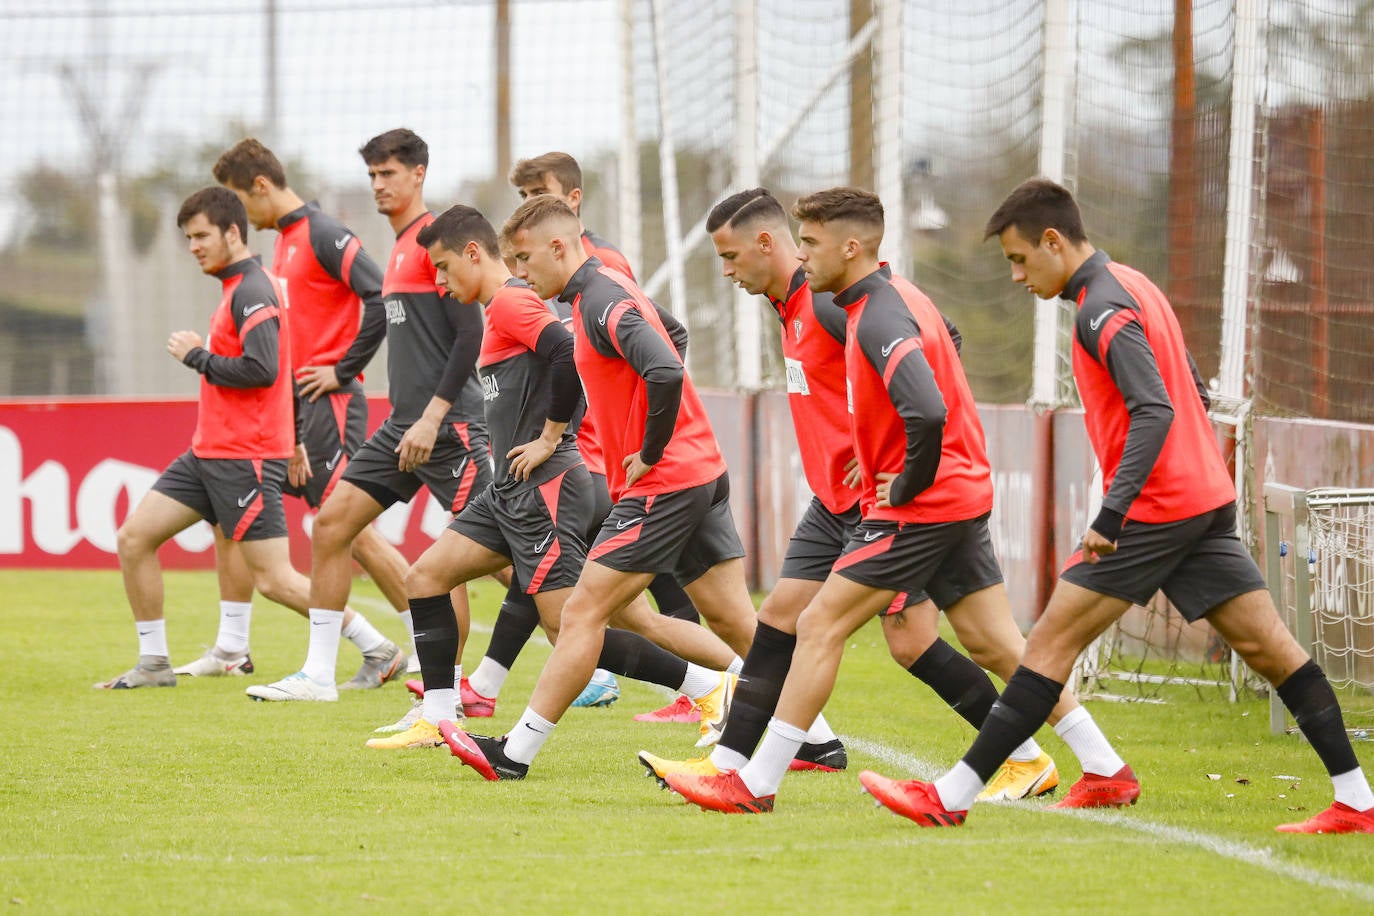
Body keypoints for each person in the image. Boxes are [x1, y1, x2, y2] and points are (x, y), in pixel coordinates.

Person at [850, 178, 1374, 834]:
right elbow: (1190, 386)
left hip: (1155, 512)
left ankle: (951, 796)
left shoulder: (1101, 308)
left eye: (1019, 258)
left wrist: (1111, 514)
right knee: (1270, 649)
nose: (1016, 276)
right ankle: (1355, 801)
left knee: (1045, 646)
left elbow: (1154, 405)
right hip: (1201, 497)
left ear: (1052, 241)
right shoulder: (1131, 283)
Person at [643, 187, 1123, 801]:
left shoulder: (837, 305)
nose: (728, 272)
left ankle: (755, 778)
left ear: (771, 244)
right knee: (786, 621)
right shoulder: (798, 302)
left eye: (731, 257)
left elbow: (932, 351)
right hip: (842, 503)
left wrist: (895, 462)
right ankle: (732, 765)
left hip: (888, 504)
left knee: (902, 638)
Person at [369, 205, 737, 749]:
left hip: (544, 490)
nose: (441, 283)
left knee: (572, 628)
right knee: (425, 578)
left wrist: (551, 435)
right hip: (509, 490)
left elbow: (570, 352)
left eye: (444, 268)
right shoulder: (501, 308)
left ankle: (708, 686)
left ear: (474, 254)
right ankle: (438, 718)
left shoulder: (514, 302)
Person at [244, 128, 493, 702]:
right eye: (372, 176)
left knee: (497, 561)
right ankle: (318, 676)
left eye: (389, 174)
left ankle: (612, 655)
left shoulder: (437, 241)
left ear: (418, 175)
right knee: (332, 525)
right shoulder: (401, 247)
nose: (379, 185)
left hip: (447, 427)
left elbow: (468, 335)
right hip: (402, 425)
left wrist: (433, 417)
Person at [461, 151, 702, 716]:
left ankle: (711, 691)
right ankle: (486, 691)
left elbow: (659, 344)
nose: (525, 210)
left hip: (595, 459)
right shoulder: (549, 279)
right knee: (601, 596)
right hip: (598, 458)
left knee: (596, 604)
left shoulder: (600, 269)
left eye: (535, 196)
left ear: (570, 203)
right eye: (520, 199)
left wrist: (628, 426)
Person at [172, 138, 409, 687]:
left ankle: (418, 642)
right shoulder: (284, 244)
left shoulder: (324, 233)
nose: (239, 217)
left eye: (238, 200)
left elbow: (380, 293)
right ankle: (233, 645)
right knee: (245, 525)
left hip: (331, 401)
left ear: (259, 187)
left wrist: (343, 369)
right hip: (300, 412)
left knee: (349, 528)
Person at [96, 188, 298, 688]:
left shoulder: (252, 288)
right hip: (208, 450)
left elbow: (263, 368)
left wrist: (196, 357)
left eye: (202, 235)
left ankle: (374, 644)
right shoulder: (235, 288)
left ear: (233, 232)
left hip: (242, 453)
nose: (193, 246)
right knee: (134, 537)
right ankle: (156, 663)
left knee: (275, 579)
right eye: (188, 237)